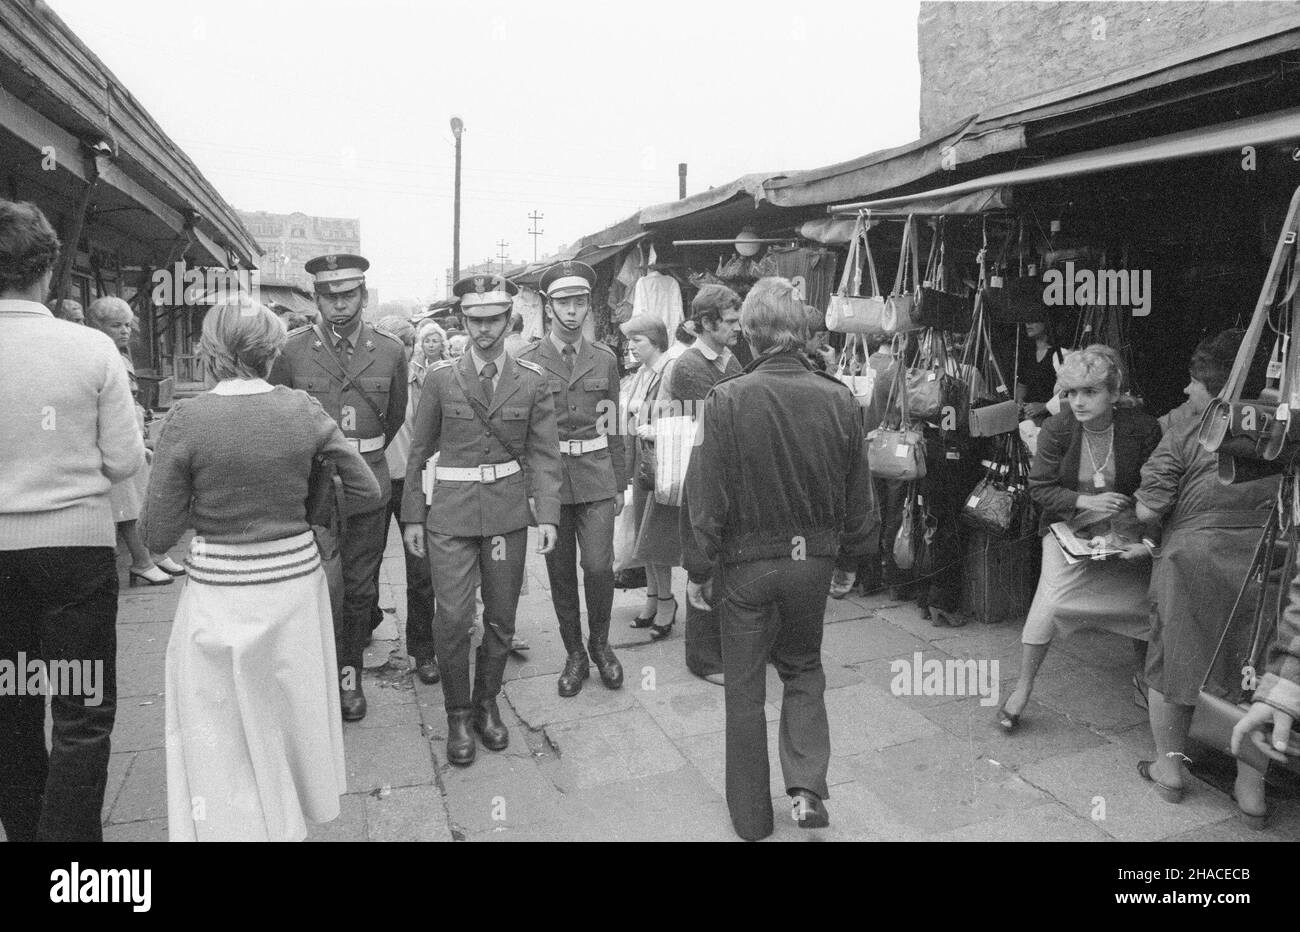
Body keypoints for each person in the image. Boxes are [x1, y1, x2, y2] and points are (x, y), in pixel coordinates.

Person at [143, 297, 380, 840]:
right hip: (294, 587)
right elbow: (366, 489)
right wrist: (312, 496)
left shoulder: (188, 419)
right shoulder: (303, 410)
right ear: (273, 353)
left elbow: (155, 536)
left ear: (209, 354)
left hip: (219, 591)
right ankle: (291, 819)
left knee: (218, 730)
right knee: (290, 715)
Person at [682, 277, 877, 841]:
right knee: (803, 667)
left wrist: (699, 567)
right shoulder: (839, 397)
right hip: (810, 563)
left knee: (744, 689)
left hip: (748, 567)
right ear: (803, 331)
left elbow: (707, 496)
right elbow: (856, 491)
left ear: (748, 330)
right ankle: (807, 788)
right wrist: (851, 559)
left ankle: (751, 819)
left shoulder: (728, 398)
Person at [0, 200, 145, 842]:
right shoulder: (90, 350)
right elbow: (123, 461)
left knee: (11, 705)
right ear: (49, 269)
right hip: (74, 557)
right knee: (82, 711)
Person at [401, 273, 561, 766]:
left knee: (501, 615)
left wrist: (548, 515)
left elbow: (545, 455)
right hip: (450, 515)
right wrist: (412, 518)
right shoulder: (441, 379)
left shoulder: (532, 380)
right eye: (474, 320)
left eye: (493, 320)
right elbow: (419, 451)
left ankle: (487, 702)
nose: (484, 330)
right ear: (463, 320)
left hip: (507, 515)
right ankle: (456, 713)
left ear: (509, 320)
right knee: (451, 617)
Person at [1132, 331, 1277, 825]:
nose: (1189, 389)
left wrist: (1143, 526)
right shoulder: (1287, 433)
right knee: (1258, 673)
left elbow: (1150, 506)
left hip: (1192, 563)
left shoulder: (1190, 429)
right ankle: (1251, 792)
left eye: (1195, 379)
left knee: (1170, 662)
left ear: (1210, 385)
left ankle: (1170, 772)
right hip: (1267, 567)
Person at [267, 253, 408, 722]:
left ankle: (349, 680)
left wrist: (360, 453)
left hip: (367, 480)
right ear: (316, 299)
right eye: (330, 296)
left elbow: (395, 419)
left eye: (349, 295)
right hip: (311, 485)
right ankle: (313, 677)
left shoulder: (390, 350)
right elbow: (280, 417)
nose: (340, 305)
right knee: (313, 583)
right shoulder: (289, 350)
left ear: (364, 296)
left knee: (361, 588)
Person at [997, 345, 1162, 732]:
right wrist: (1086, 500)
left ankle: (1144, 675)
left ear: (1114, 393)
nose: (1078, 402)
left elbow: (1157, 486)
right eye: (1071, 393)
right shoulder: (1059, 428)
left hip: (1124, 529)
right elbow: (1040, 488)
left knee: (1150, 598)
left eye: (1090, 392)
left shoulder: (1141, 428)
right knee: (1050, 603)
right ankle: (1023, 687)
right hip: (1068, 529)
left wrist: (1138, 528)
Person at [518, 261, 626, 697]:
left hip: (598, 476)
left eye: (580, 302)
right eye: (563, 302)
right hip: (550, 483)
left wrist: (620, 483)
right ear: (547, 307)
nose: (572, 311)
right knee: (559, 572)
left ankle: (600, 645)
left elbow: (614, 425)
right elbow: (521, 432)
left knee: (599, 567)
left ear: (587, 307)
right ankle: (574, 654)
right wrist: (529, 490)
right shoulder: (526, 361)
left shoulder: (605, 359)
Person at [663, 283, 744, 683]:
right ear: (707, 322)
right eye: (730, 321)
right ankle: (703, 660)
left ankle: (725, 651)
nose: (738, 328)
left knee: (725, 567)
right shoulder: (690, 366)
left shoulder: (729, 358)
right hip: (703, 477)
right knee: (702, 563)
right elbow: (710, 428)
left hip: (729, 477)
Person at [85, 296, 185, 586]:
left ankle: (154, 553)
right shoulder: (97, 354)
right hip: (114, 436)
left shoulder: (121, 354)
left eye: (128, 325)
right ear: (98, 326)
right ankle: (142, 560)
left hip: (131, 430)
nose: (125, 331)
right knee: (128, 500)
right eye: (116, 325)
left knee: (143, 495)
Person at [373, 316, 438, 684]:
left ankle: (423, 649)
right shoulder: (374, 382)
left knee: (421, 574)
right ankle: (364, 625)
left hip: (414, 487)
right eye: (398, 344)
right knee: (364, 568)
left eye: (408, 344)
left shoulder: (427, 383)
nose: (405, 352)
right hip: (377, 482)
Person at [620, 314, 677, 632]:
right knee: (645, 536)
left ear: (655, 341)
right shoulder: (643, 372)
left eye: (636, 340)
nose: (631, 346)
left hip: (661, 463)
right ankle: (654, 599)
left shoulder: (670, 370)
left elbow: (685, 415)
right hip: (645, 463)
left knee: (658, 537)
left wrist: (655, 430)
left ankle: (666, 603)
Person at [1015, 320, 1064, 421]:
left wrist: (1045, 406)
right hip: (1029, 418)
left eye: (1033, 319)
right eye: (1026, 320)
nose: (1028, 323)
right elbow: (1022, 384)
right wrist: (1019, 402)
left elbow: (1066, 391)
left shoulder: (1060, 354)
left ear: (1046, 323)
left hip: (1052, 418)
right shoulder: (1028, 354)